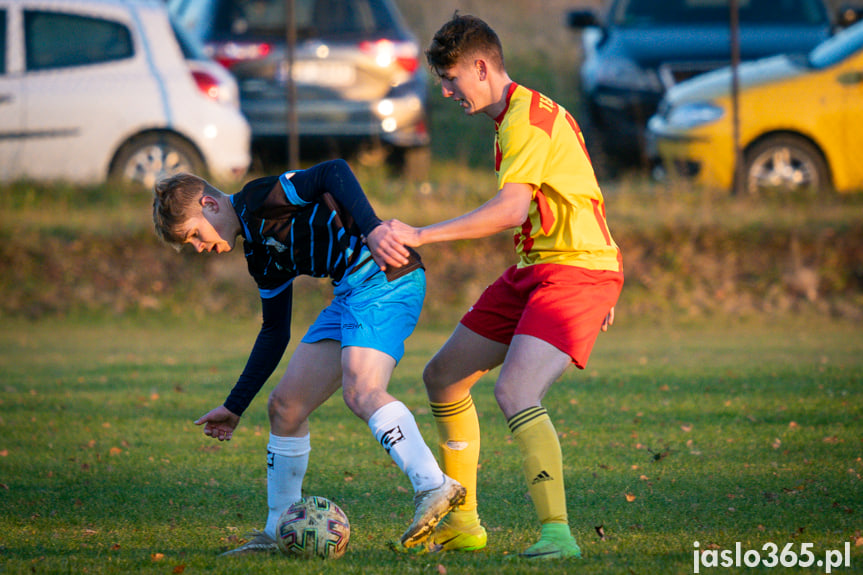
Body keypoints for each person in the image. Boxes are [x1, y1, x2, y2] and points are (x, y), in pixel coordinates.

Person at [376, 14, 624, 560]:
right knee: (443, 377)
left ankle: (558, 536)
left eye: (451, 78)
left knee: (515, 391)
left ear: (482, 67)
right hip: (542, 269)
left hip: (575, 271)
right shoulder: (521, 115)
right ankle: (462, 522)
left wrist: (420, 233)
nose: (446, 91)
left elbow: (511, 210)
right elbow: (581, 192)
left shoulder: (524, 120)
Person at [151, 159, 465, 554]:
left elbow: (333, 171)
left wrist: (371, 229)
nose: (198, 248)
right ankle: (277, 531)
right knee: (285, 407)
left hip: (386, 276)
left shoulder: (260, 198)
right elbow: (274, 332)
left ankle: (433, 484)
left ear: (210, 205)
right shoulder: (260, 257)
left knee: (362, 390)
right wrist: (235, 405)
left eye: (194, 235)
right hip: (350, 292)